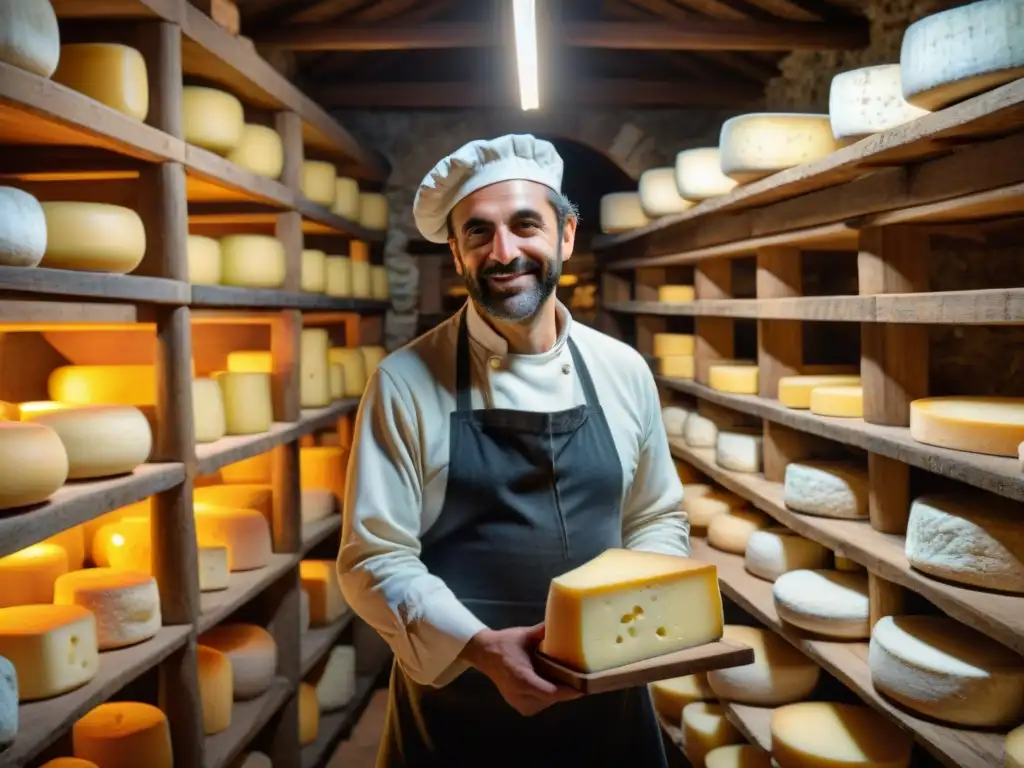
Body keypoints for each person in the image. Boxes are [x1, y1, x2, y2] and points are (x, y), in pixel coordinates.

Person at [337, 134, 690, 767]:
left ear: (566, 236)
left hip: (608, 700)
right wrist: (479, 648)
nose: (505, 253)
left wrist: (641, 613)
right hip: (461, 705)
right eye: (478, 233)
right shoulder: (404, 382)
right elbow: (373, 558)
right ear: (456, 252)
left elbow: (656, 516)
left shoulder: (623, 369)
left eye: (526, 225)